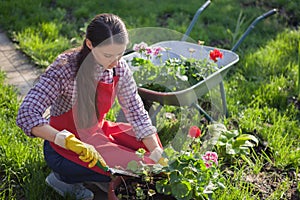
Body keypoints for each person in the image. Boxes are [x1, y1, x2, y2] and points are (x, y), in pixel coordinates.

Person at [16, 13, 167, 200]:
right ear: (89, 44)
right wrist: (65, 139)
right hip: (63, 146)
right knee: (127, 166)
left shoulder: (118, 68)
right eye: (108, 55)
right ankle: (62, 179)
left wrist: (155, 151)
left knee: (147, 154)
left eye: (120, 54)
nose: (115, 62)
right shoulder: (65, 69)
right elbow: (26, 114)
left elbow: (136, 113)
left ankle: (103, 176)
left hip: (97, 132)